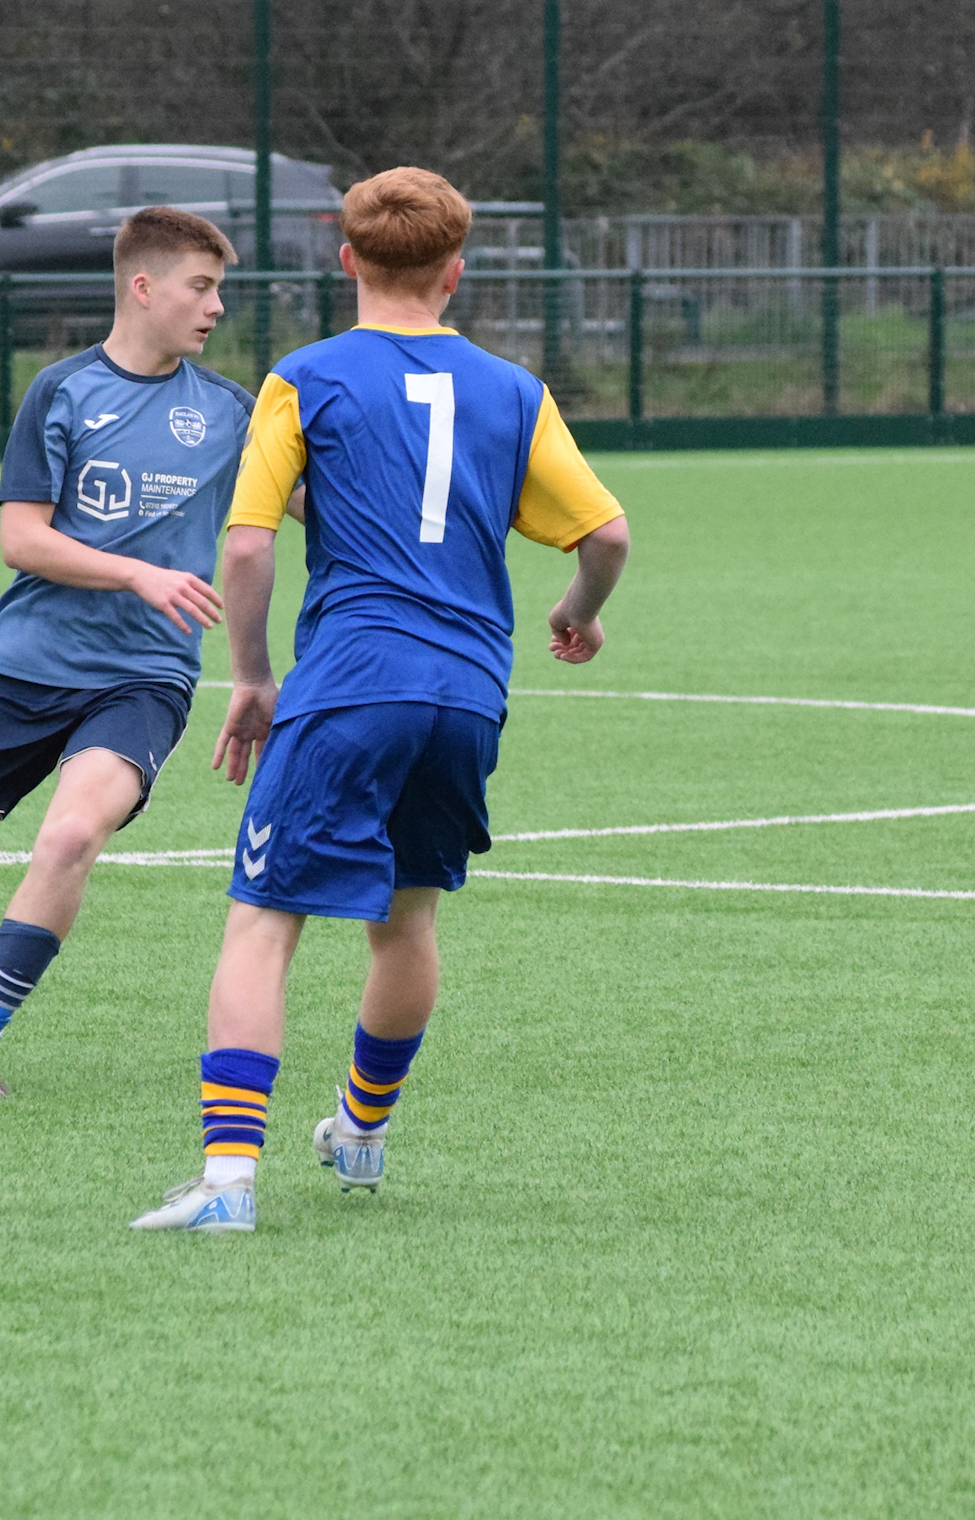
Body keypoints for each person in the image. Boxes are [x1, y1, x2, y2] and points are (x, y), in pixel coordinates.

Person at [131, 167, 631, 1235]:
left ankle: (226, 1181)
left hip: (355, 680)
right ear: (457, 272)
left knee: (263, 920)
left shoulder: (304, 377)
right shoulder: (514, 390)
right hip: (466, 690)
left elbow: (251, 541)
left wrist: (254, 677)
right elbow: (608, 534)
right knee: (407, 914)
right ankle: (360, 1126)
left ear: (346, 261)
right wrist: (577, 609)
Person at [0, 206, 254, 1101]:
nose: (216, 308)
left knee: (75, 829)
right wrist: (136, 574)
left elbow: (305, 500)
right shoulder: (63, 391)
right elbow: (22, 540)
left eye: (220, 289)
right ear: (142, 287)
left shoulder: (229, 410)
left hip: (143, 677)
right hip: (26, 661)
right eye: (201, 287)